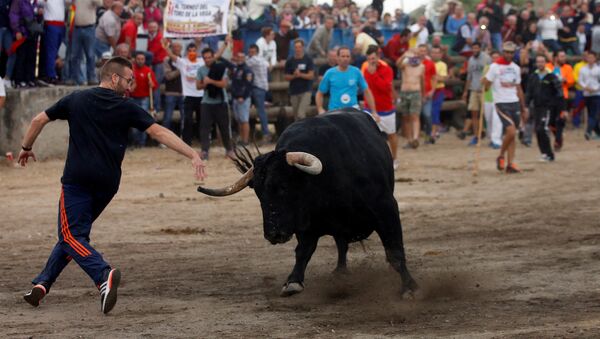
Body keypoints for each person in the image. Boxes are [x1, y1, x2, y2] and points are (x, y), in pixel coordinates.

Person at [20, 56, 206, 314]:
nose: (131, 86)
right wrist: (192, 154)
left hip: (78, 181)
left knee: (70, 236)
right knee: (76, 235)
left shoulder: (76, 99)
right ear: (114, 78)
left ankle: (102, 275)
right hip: (107, 184)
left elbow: (38, 120)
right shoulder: (126, 108)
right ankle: (42, 283)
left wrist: (26, 147)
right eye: (129, 80)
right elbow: (159, 132)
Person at [482, 41, 528, 174]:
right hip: (501, 102)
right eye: (507, 52)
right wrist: (485, 83)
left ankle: (511, 163)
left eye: (511, 52)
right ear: (503, 52)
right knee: (511, 131)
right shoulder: (494, 67)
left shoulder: (516, 68)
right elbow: (487, 86)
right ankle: (501, 155)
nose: (509, 54)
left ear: (514, 53)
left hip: (514, 101)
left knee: (512, 135)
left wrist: (523, 106)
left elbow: (519, 88)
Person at [361, 45, 398, 169]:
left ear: (378, 57)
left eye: (374, 58)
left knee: (391, 134)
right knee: (368, 136)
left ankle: (394, 158)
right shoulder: (364, 70)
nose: (372, 60)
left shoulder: (387, 69)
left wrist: (374, 74)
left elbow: (385, 87)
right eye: (370, 58)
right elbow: (365, 89)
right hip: (369, 108)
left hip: (386, 108)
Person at [315, 46, 377, 118]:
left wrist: (374, 111)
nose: (345, 59)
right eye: (343, 56)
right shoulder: (330, 73)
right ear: (337, 58)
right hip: (335, 112)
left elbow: (366, 91)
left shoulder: (356, 71)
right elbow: (320, 93)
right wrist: (320, 109)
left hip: (353, 112)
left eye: (348, 56)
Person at [163, 40, 205, 147]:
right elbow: (171, 56)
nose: (192, 52)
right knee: (187, 120)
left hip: (201, 95)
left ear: (197, 52)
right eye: (190, 50)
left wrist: (225, 44)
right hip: (188, 95)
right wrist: (166, 47)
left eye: (194, 50)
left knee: (202, 120)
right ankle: (187, 142)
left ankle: (202, 141)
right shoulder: (183, 62)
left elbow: (215, 57)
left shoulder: (201, 61)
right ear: (187, 52)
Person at [526, 54, 566, 162]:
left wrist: (562, 109)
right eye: (538, 62)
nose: (540, 64)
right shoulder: (533, 76)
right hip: (536, 107)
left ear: (545, 62)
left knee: (542, 129)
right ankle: (544, 153)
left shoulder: (551, 76)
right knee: (538, 130)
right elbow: (529, 93)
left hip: (549, 107)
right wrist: (526, 106)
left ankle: (550, 154)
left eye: (542, 61)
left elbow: (560, 93)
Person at [195, 47, 233, 160]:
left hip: (221, 101)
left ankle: (229, 150)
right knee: (204, 128)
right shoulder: (201, 70)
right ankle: (205, 151)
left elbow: (224, 84)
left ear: (213, 57)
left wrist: (210, 81)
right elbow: (198, 86)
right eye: (205, 58)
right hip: (206, 102)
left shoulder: (221, 67)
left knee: (224, 127)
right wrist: (205, 84)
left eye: (209, 57)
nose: (207, 60)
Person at [460, 42, 492, 144]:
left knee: (486, 114)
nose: (475, 50)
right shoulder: (471, 60)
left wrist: (487, 87)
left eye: (476, 48)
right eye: (473, 48)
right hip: (473, 89)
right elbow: (469, 76)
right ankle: (476, 135)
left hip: (484, 90)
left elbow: (490, 73)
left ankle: (488, 134)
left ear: (480, 49)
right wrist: (466, 91)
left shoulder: (487, 58)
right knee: (474, 112)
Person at [68, 0, 103, 86]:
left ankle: (91, 78)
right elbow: (67, 3)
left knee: (90, 55)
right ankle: (73, 78)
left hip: (89, 27)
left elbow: (100, 3)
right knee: (74, 55)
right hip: (76, 28)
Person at [396, 49, 425, 149]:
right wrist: (404, 56)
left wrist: (423, 95)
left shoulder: (421, 66)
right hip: (404, 92)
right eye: (414, 53)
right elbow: (398, 64)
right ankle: (409, 139)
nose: (415, 55)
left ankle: (415, 137)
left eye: (417, 53)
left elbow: (422, 81)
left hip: (416, 92)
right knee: (406, 117)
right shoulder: (405, 64)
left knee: (415, 115)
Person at [129, 51, 157, 147]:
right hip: (133, 98)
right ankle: (135, 141)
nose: (140, 61)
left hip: (144, 99)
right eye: (138, 59)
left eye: (142, 59)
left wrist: (152, 85)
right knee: (134, 122)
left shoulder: (148, 71)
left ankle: (142, 143)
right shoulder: (131, 70)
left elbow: (154, 85)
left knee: (143, 121)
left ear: (145, 60)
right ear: (135, 60)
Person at [246, 44, 272, 142]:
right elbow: (269, 66)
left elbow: (243, 63)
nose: (251, 53)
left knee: (260, 111)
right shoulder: (262, 59)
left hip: (257, 87)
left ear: (256, 52)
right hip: (261, 87)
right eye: (250, 52)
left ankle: (266, 134)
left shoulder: (254, 60)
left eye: (252, 52)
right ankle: (264, 134)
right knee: (260, 111)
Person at [284, 39, 314, 121]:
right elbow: (286, 77)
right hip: (294, 91)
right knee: (296, 116)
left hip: (306, 90)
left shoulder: (308, 59)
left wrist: (300, 74)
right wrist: (294, 75)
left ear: (303, 48)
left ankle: (305, 131)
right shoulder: (290, 61)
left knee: (301, 114)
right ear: (294, 48)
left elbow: (311, 76)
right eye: (296, 47)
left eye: (299, 47)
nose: (298, 49)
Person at [230, 52, 253, 145]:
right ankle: (241, 139)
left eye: (241, 57)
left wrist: (243, 97)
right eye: (238, 57)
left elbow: (249, 85)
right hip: (235, 98)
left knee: (244, 120)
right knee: (239, 120)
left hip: (243, 99)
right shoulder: (236, 69)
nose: (239, 58)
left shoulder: (247, 70)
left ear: (244, 58)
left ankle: (245, 140)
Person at [577, 52, 600, 140]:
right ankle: (598, 132)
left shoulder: (598, 69)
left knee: (594, 114)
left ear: (595, 58)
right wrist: (585, 87)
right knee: (591, 113)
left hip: (596, 94)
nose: (590, 59)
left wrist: (596, 88)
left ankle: (588, 131)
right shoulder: (583, 69)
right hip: (587, 94)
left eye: (592, 57)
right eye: (588, 57)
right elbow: (580, 80)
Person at [162, 41, 183, 133]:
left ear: (181, 48)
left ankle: (185, 138)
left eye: (178, 46)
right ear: (171, 48)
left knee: (185, 117)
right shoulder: (166, 60)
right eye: (174, 47)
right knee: (167, 117)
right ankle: (164, 140)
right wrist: (181, 69)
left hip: (184, 93)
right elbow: (168, 76)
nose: (176, 49)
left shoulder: (186, 59)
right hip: (170, 92)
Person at [430, 46, 447, 143]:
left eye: (437, 53)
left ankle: (433, 132)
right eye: (433, 52)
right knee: (428, 112)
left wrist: (432, 76)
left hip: (438, 90)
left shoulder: (442, 65)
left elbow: (443, 78)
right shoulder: (427, 63)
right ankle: (433, 130)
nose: (435, 54)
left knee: (435, 111)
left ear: (440, 54)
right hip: (428, 89)